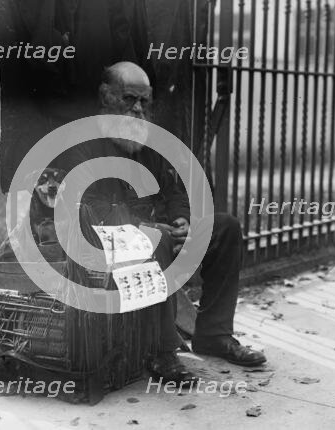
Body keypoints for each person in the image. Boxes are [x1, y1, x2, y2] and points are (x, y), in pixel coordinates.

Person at [60, 61, 266, 384]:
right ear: (105, 97)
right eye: (129, 99)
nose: (139, 110)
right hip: (105, 245)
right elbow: (89, 210)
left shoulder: (146, 143)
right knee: (157, 240)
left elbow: (172, 190)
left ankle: (213, 334)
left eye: (145, 102)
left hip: (157, 236)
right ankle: (161, 351)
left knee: (225, 229)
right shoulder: (82, 144)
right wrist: (148, 229)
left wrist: (181, 220)